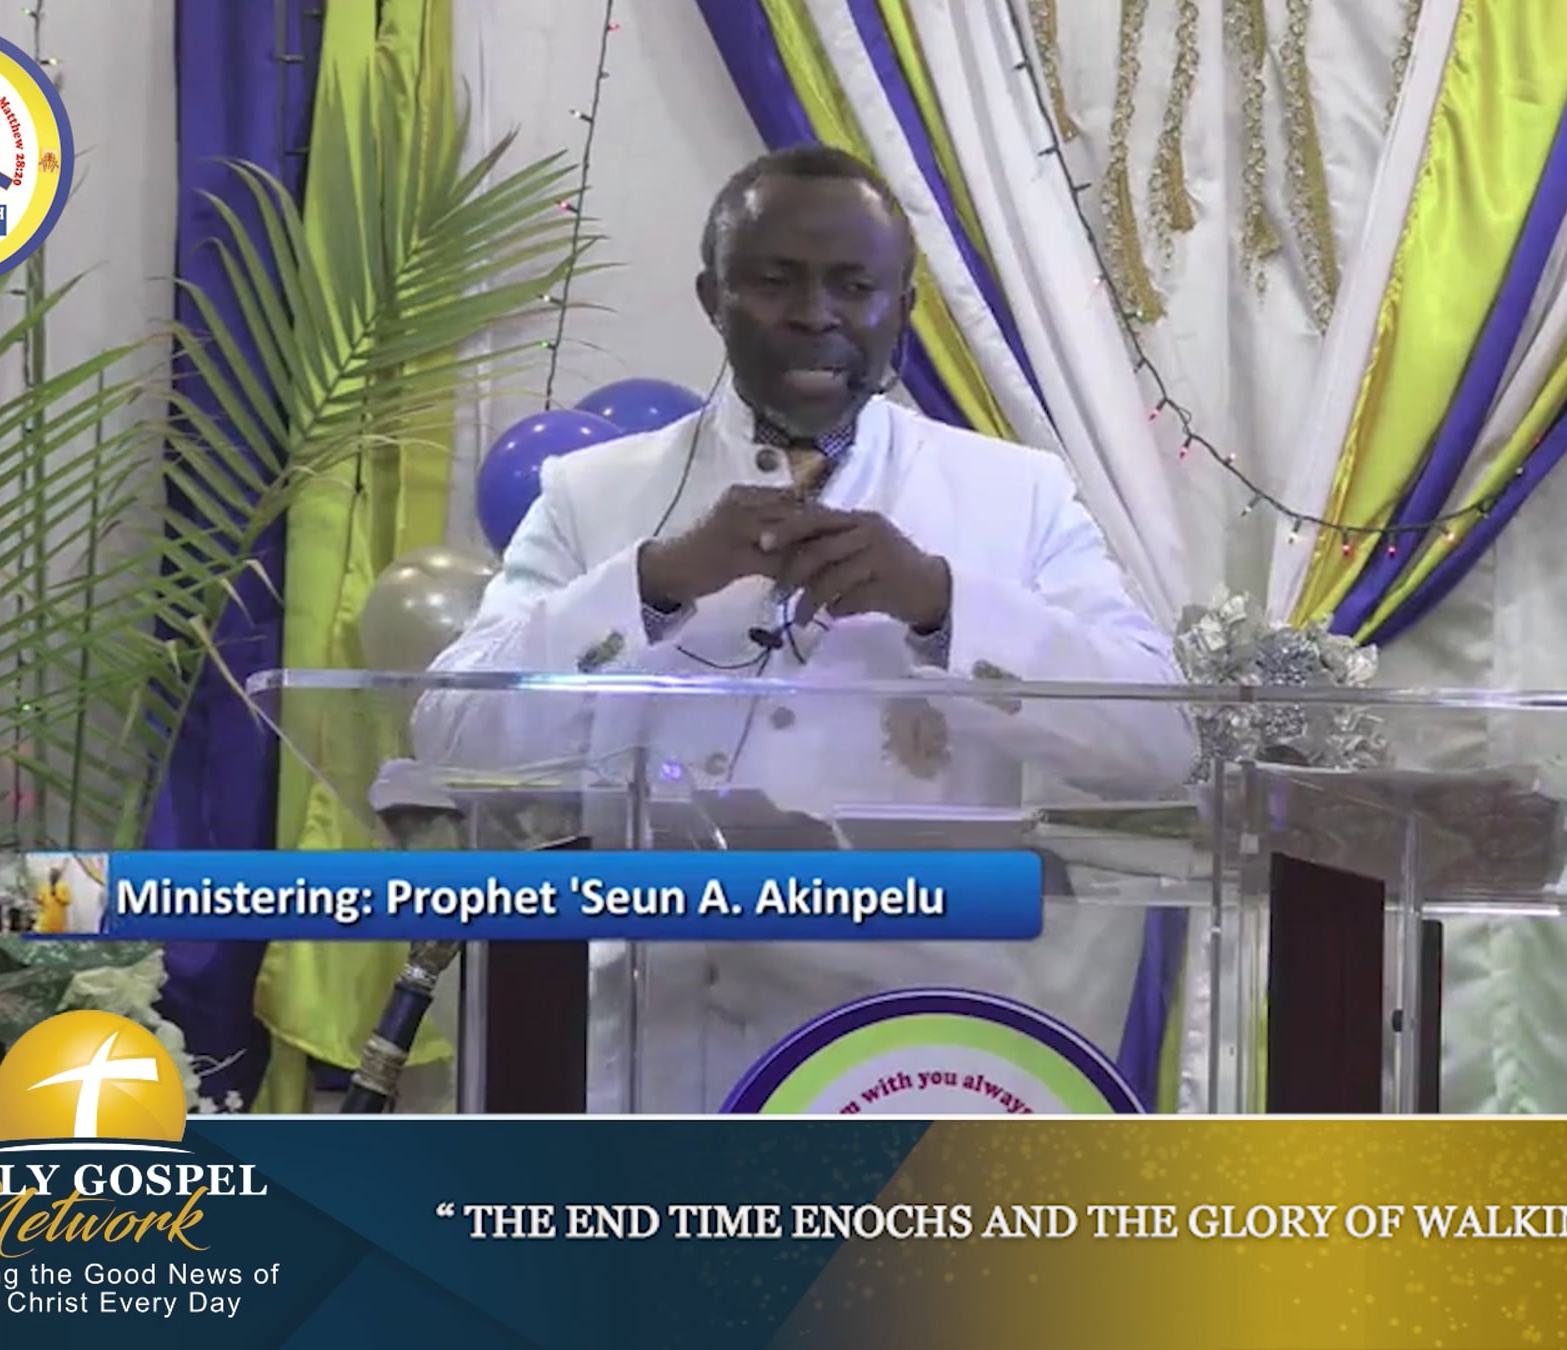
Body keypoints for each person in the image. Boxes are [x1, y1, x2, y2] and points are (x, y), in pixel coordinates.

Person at [412, 145, 1195, 1112]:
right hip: (647, 1074)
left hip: (907, 1071)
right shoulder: (593, 494)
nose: (816, 313)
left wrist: (944, 605)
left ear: (903, 306)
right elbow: (451, 735)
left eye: (854, 285)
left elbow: (1159, 743)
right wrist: (656, 583)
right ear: (714, 298)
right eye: (775, 280)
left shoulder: (1016, 496)